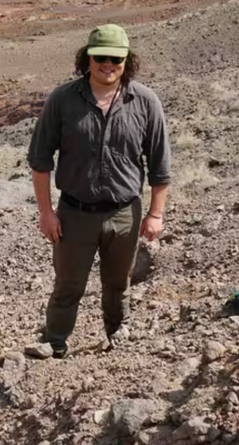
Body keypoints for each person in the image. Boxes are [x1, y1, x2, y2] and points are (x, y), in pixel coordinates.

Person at [26, 23, 171, 357]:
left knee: (118, 284)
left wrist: (156, 214)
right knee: (68, 285)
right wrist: (46, 213)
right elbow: (40, 161)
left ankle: (118, 339)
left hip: (125, 213)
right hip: (74, 213)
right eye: (101, 57)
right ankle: (54, 344)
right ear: (87, 59)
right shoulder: (63, 100)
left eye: (116, 59)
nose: (108, 65)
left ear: (127, 61)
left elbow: (160, 166)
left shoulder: (145, 102)